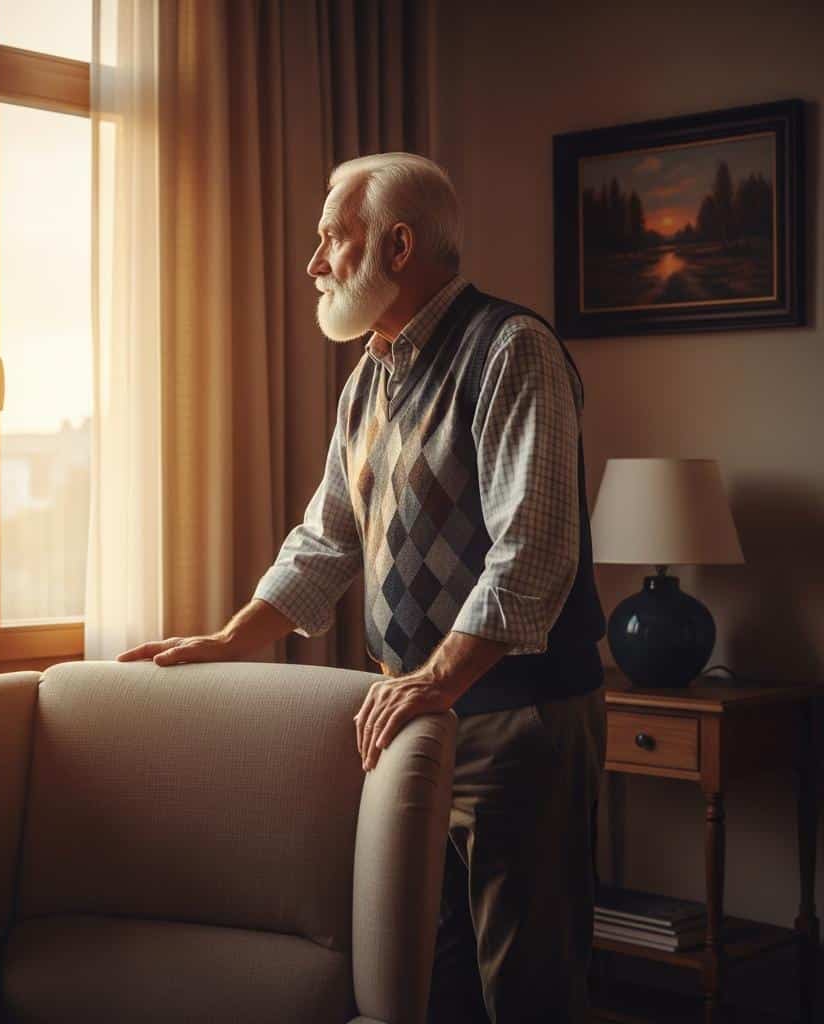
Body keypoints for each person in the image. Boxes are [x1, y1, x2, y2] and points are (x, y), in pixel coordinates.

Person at [117, 152, 607, 1023]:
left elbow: (532, 553)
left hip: (517, 722)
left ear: (398, 245)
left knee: (527, 983)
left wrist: (432, 681)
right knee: (426, 977)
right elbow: (326, 541)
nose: (314, 265)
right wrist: (232, 640)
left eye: (332, 241)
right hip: (419, 719)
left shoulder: (511, 349)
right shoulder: (367, 381)